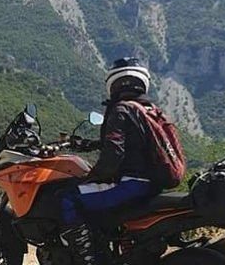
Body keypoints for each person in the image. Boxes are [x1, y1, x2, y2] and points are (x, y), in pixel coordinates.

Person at [59, 57, 165, 265]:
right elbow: (130, 145)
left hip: (131, 185)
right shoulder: (148, 110)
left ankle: (88, 260)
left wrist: (93, 176)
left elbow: (113, 155)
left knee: (68, 198)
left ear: (114, 83)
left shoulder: (121, 110)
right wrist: (90, 144)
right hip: (151, 185)